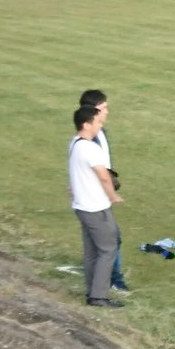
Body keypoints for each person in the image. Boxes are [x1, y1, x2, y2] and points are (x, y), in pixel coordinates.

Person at [69, 105, 124, 308]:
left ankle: (91, 291)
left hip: (82, 206)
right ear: (86, 124)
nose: (99, 125)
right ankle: (99, 296)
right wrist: (112, 196)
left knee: (91, 251)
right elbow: (103, 175)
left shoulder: (75, 144)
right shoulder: (91, 148)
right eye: (96, 121)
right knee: (108, 249)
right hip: (96, 208)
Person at [79, 89, 128, 293]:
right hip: (95, 197)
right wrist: (111, 193)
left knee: (101, 242)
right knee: (110, 240)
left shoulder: (99, 133)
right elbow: (96, 169)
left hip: (95, 196)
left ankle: (99, 284)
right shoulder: (89, 138)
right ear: (95, 109)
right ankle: (111, 282)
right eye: (105, 107)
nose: (107, 111)